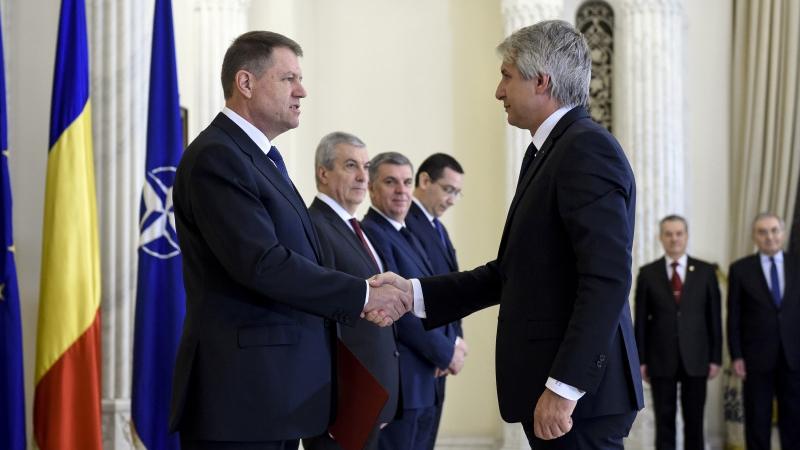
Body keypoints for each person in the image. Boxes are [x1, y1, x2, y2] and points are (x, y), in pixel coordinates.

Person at [372, 20, 643, 449]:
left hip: (579, 400)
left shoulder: (586, 149)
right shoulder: (549, 152)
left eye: (507, 76)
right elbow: (510, 273)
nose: (499, 91)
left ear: (541, 81)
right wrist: (413, 294)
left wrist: (564, 387)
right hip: (557, 390)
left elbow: (607, 279)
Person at [169, 31, 408, 450]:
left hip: (274, 395)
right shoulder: (218, 156)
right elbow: (263, 263)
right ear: (246, 83)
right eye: (288, 79)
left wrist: (362, 289)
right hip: (240, 397)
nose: (302, 91)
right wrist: (362, 295)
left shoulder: (260, 159)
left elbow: (298, 259)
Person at [301, 132, 401, 450]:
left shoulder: (352, 227)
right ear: (323, 172)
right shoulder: (314, 226)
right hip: (343, 405)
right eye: (350, 165)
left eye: (366, 166)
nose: (362, 176)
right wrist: (334, 405)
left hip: (369, 398)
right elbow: (317, 319)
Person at [360, 152, 461, 450]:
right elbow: (397, 310)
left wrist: (450, 345)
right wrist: (445, 352)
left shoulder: (407, 233)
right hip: (404, 380)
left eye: (406, 182)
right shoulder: (372, 233)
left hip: (426, 377)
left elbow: (434, 295)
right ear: (372, 187)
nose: (401, 191)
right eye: (390, 182)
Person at [633, 215, 722, 450]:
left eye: (679, 233)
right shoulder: (647, 273)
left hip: (697, 358)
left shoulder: (705, 271)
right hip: (660, 358)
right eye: (669, 234)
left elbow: (714, 318)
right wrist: (641, 360)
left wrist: (715, 358)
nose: (674, 239)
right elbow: (640, 322)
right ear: (661, 238)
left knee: (695, 422)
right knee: (664, 423)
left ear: (686, 236)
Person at [405, 153, 468, 450]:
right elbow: (413, 298)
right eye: (448, 189)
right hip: (420, 359)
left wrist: (456, 342)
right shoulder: (405, 221)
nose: (452, 200)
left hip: (439, 357)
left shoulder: (437, 227)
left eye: (457, 192)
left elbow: (450, 290)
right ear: (424, 180)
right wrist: (444, 351)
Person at [727, 212, 800, 450]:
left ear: (783, 233)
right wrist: (737, 355)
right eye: (762, 232)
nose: (769, 237)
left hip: (794, 357)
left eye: (774, 230)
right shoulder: (740, 270)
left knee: (795, 420)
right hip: (756, 358)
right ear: (754, 236)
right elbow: (734, 317)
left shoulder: (797, 265)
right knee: (757, 420)